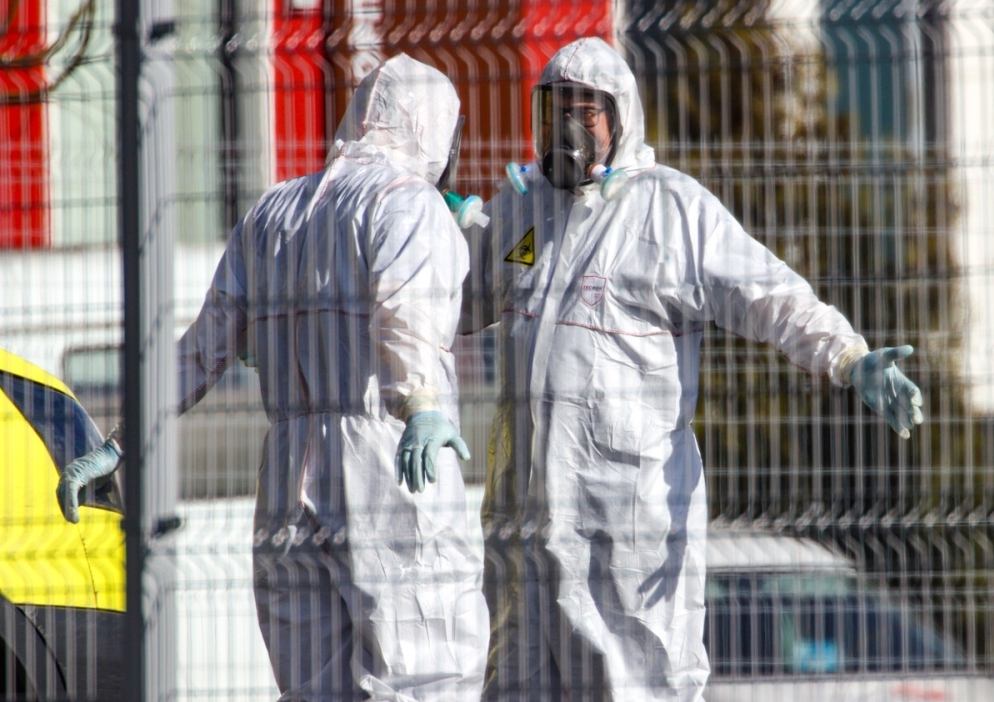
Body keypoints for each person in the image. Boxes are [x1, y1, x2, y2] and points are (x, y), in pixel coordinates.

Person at [459, 37, 924, 702]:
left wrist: (847, 357)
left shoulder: (671, 209)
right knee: (518, 683)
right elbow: (452, 301)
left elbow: (770, 296)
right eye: (555, 110)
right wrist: (441, 239)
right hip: (524, 518)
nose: (567, 128)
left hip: (626, 519)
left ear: (620, 119)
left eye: (585, 113)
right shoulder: (520, 207)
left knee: (638, 684)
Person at [56, 54, 488, 701]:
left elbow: (203, 346)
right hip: (388, 459)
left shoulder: (273, 211)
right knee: (424, 669)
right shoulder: (408, 203)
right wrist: (421, 400)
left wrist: (123, 439)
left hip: (289, 473)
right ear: (434, 128)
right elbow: (406, 312)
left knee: (310, 681)